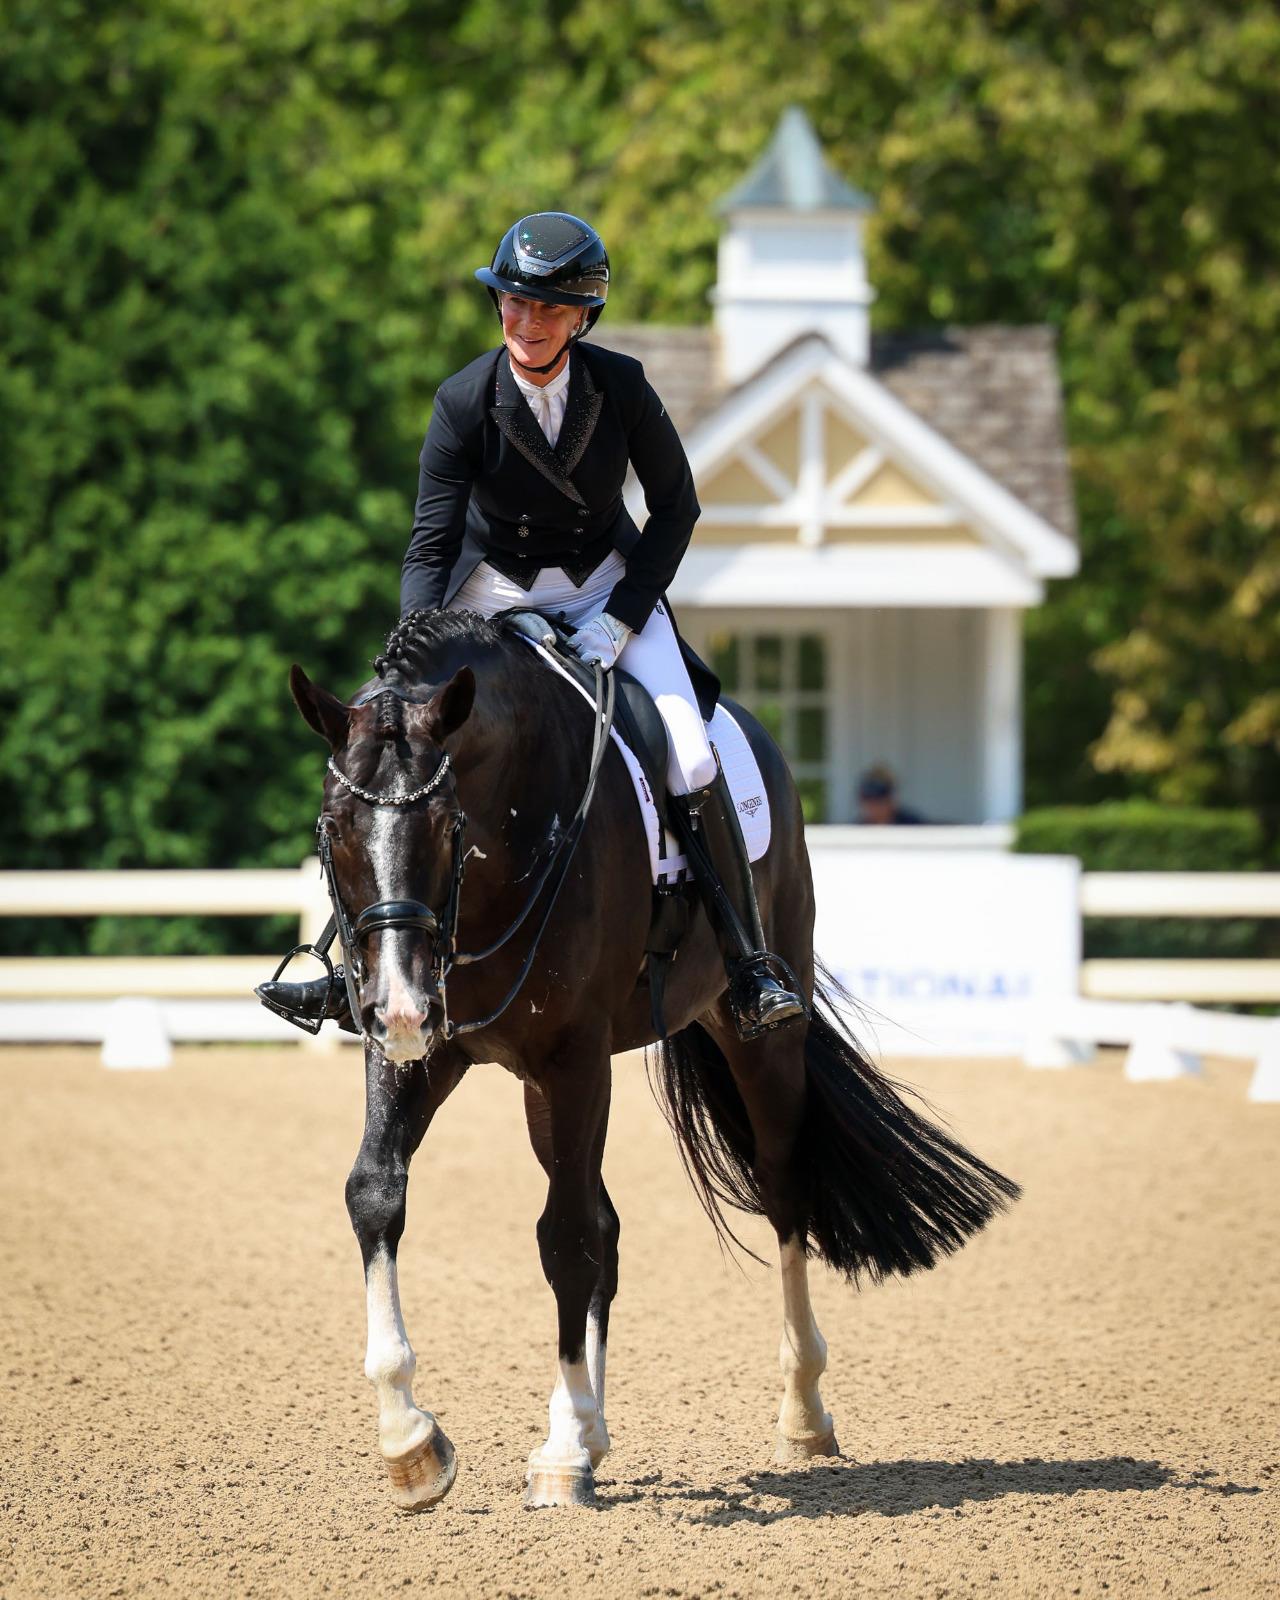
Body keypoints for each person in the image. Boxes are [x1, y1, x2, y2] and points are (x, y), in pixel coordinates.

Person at [260, 211, 805, 1039]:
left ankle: (751, 960)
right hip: (490, 595)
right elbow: (431, 541)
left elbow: (676, 509)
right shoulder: (464, 399)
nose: (524, 322)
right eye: (512, 303)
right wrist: (413, 656)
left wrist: (622, 621)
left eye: (546, 309)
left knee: (691, 752)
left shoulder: (621, 388)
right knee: (393, 753)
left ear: (582, 316)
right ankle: (341, 972)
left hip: (604, 589)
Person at [855, 764, 928, 826]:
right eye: (868, 799)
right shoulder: (855, 831)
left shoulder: (913, 826)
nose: (873, 806)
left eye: (879, 799)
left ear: (890, 799)